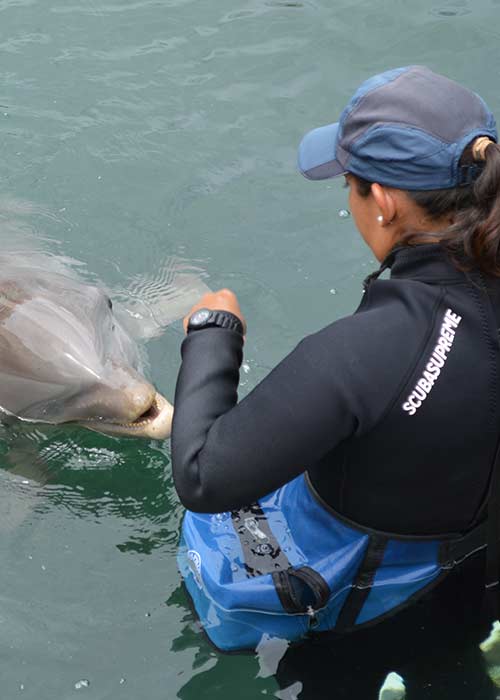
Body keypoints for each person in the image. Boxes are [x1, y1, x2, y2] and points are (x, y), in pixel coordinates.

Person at [171, 65, 500, 689]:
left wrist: (212, 336)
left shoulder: (360, 355)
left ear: (382, 201)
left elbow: (203, 475)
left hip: (363, 613)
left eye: (349, 185)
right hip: (471, 582)